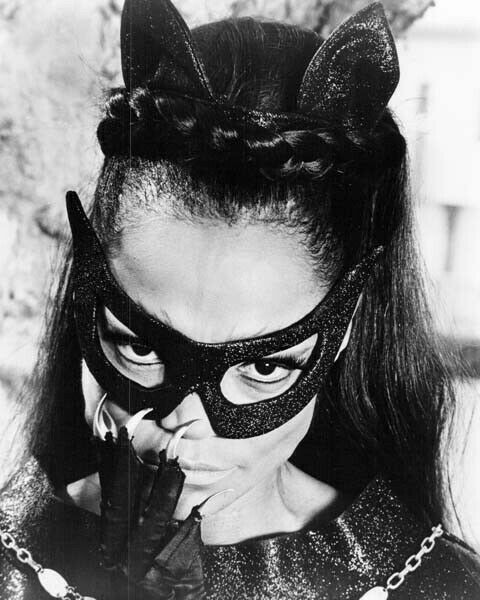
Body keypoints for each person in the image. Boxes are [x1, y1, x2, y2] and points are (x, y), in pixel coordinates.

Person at [0, 0, 479, 598]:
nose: (185, 429)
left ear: (346, 326)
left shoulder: (432, 584)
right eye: (139, 348)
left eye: (264, 366)